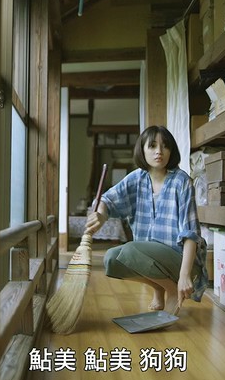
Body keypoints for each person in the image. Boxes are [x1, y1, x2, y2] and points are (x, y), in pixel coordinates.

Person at [85, 125, 208, 314]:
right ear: (142, 150)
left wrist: (184, 275)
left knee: (129, 250)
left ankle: (172, 290)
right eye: (152, 146)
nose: (159, 151)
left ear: (171, 151)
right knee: (111, 259)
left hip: (181, 260)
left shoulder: (181, 181)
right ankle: (160, 288)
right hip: (149, 258)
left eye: (165, 146)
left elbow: (190, 234)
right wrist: (100, 215)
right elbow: (106, 200)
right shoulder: (137, 178)